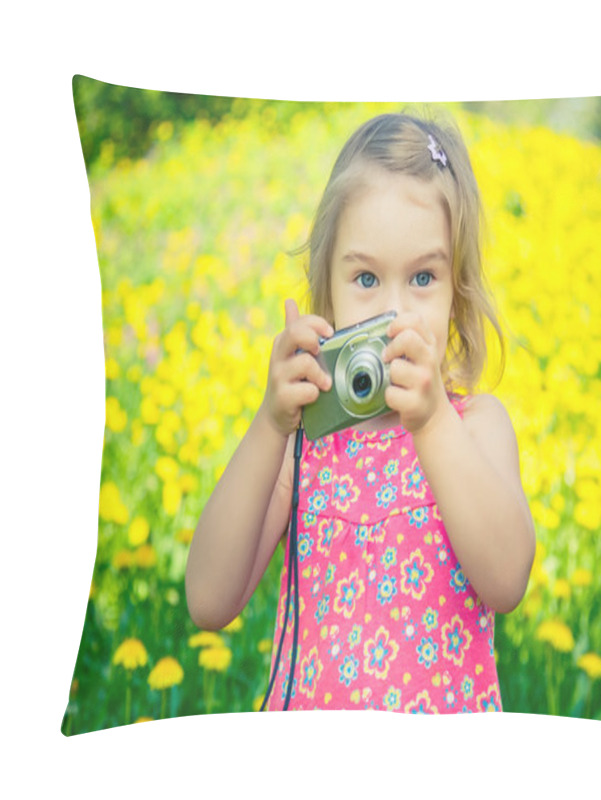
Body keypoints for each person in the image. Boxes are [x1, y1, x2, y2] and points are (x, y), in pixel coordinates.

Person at [185, 112, 536, 713]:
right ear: (328, 287)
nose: (394, 311)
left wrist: (430, 423)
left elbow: (506, 582)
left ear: (458, 291)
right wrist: (271, 426)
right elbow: (209, 600)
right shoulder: (306, 444)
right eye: (366, 278)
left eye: (423, 277)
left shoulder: (475, 426)